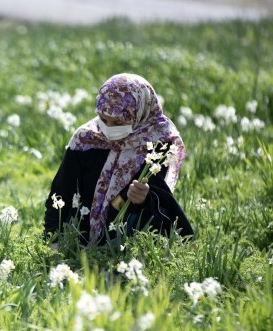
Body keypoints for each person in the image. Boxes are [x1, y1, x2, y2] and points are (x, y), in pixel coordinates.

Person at [44, 73, 194, 249]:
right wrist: (53, 238)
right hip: (78, 239)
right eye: (103, 119)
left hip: (128, 244)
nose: (108, 129)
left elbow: (164, 205)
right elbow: (61, 192)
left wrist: (144, 199)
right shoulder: (87, 140)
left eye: (117, 122)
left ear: (138, 113)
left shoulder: (158, 143)